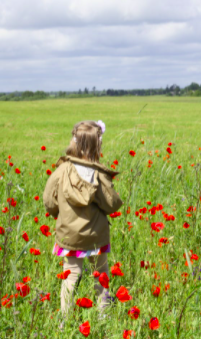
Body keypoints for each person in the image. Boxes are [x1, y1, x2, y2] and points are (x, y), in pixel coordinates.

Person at [43, 120, 123, 317]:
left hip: (69, 235)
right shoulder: (98, 174)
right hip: (96, 235)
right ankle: (103, 315)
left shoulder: (61, 171)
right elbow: (112, 204)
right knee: (101, 272)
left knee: (70, 274)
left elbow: (48, 201)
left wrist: (60, 216)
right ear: (97, 145)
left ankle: (65, 320)